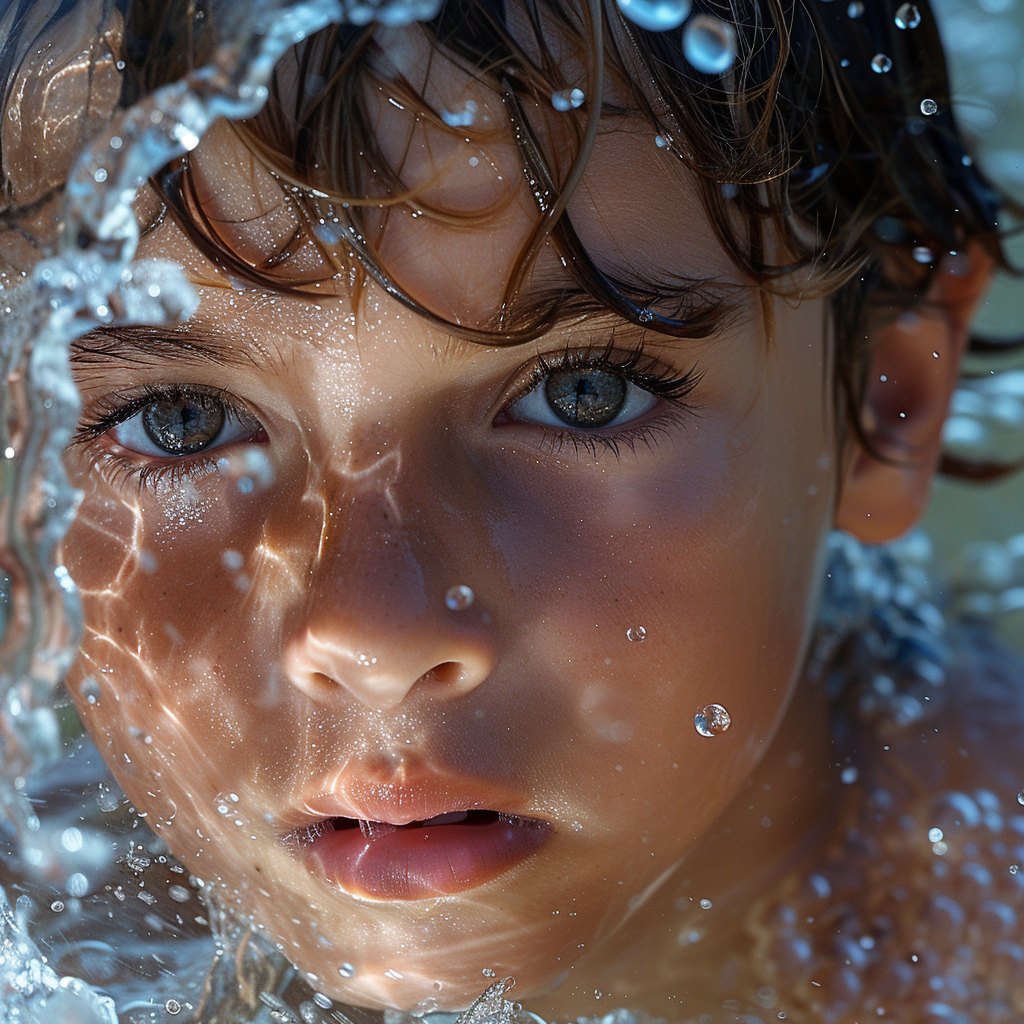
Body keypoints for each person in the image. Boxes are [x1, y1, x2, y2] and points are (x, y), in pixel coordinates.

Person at [2, 0, 1023, 1020]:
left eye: (584, 392)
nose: (372, 631)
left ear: (889, 394)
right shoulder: (52, 915)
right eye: (180, 422)